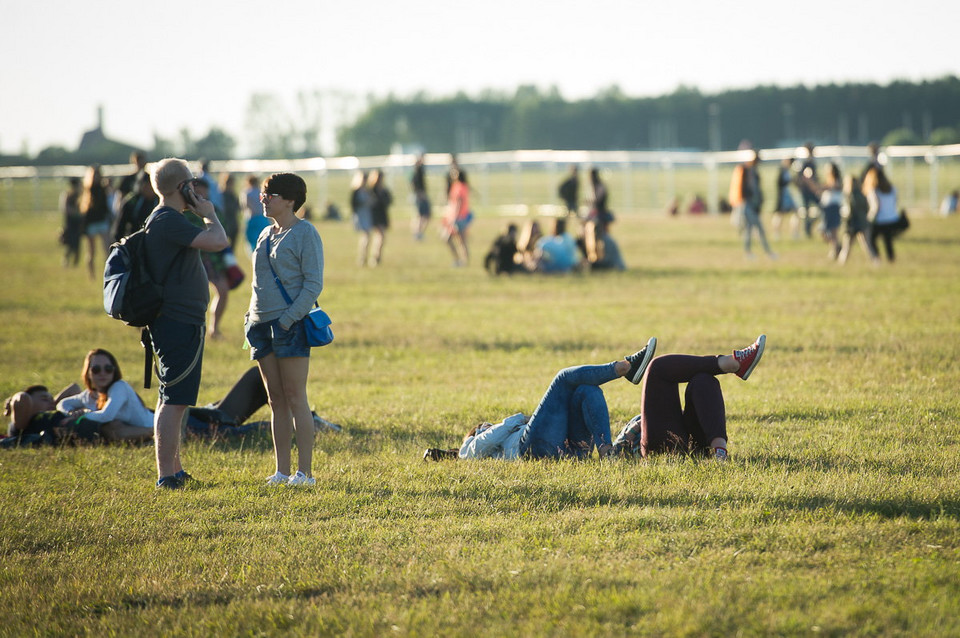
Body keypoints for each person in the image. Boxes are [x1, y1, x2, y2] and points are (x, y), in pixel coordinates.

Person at [145, 158, 228, 489]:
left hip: (178, 318)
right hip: (177, 319)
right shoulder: (167, 220)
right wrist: (208, 212)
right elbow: (219, 240)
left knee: (174, 396)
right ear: (183, 188)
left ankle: (174, 469)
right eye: (191, 184)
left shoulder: (166, 218)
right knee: (175, 398)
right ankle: (167, 474)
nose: (195, 189)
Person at [245, 172, 324, 487]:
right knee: (275, 399)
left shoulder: (306, 233)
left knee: (295, 396)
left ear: (290, 200)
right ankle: (281, 471)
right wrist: (251, 318)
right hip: (260, 325)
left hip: (289, 325)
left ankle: (304, 473)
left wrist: (289, 319)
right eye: (264, 194)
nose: (263, 198)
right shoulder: (265, 234)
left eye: (270, 194)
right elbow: (258, 283)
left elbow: (313, 283)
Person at [458, 339, 659, 460]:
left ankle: (607, 452)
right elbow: (481, 445)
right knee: (563, 377)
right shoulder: (467, 450)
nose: (486, 426)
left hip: (571, 449)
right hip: (530, 449)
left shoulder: (505, 434)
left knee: (587, 390)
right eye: (481, 427)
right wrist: (518, 419)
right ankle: (625, 368)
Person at [611, 335, 766, 460]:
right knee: (657, 367)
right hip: (660, 450)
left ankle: (719, 453)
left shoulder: (651, 417)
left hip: (692, 446)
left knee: (703, 379)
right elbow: (616, 451)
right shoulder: (645, 421)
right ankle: (732, 363)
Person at [56, 349, 154, 442]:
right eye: (96, 369)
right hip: (130, 433)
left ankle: (154, 434)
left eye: (108, 369)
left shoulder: (119, 387)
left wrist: (82, 416)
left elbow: (106, 416)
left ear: (114, 371)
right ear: (88, 373)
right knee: (109, 428)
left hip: (154, 425)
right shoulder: (88, 395)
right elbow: (63, 403)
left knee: (110, 427)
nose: (102, 373)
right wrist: (70, 413)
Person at [730, 150, 776, 260]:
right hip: (746, 205)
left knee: (749, 230)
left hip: (753, 205)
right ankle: (767, 252)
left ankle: (749, 252)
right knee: (758, 229)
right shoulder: (745, 171)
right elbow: (742, 190)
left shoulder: (753, 172)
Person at [800, 162, 843, 260]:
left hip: (833, 208)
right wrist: (808, 181)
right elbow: (816, 189)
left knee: (832, 232)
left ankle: (834, 251)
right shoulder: (829, 181)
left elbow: (822, 188)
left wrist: (810, 180)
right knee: (824, 231)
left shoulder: (837, 182)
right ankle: (837, 247)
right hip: (826, 209)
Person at [79, 165, 113, 279]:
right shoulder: (90, 189)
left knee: (107, 248)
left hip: (102, 221)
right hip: (92, 223)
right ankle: (91, 275)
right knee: (91, 251)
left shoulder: (103, 189)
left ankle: (108, 272)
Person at [863, 166, 902, 263]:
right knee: (888, 241)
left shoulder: (873, 190)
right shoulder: (892, 188)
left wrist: (869, 219)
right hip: (893, 219)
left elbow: (875, 206)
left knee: (870, 239)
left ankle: (876, 258)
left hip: (880, 220)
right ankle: (891, 260)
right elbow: (895, 202)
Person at [838, 175, 878, 265]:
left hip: (851, 224)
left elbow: (847, 211)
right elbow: (867, 208)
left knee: (846, 248)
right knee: (867, 245)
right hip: (863, 223)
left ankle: (841, 264)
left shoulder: (848, 196)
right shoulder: (863, 195)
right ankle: (876, 262)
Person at [112, 174, 159, 241]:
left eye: (151, 186)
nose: (149, 189)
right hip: (136, 240)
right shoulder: (132, 202)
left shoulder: (160, 201)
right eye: (147, 186)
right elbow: (121, 225)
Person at [442, 168, 472, 266]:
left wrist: (454, 217)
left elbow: (459, 202)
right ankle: (461, 260)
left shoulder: (460, 187)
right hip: (457, 216)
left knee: (458, 240)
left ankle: (462, 261)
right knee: (460, 241)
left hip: (459, 217)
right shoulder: (458, 186)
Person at [368, 169, 392, 266]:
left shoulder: (383, 190)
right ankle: (374, 257)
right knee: (378, 236)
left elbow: (389, 201)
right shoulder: (371, 190)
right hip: (374, 216)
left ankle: (376, 257)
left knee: (380, 237)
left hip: (382, 215)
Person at [350, 171, 374, 267]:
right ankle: (362, 258)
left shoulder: (367, 190)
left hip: (367, 214)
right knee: (366, 235)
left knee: (367, 236)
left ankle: (364, 257)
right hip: (360, 215)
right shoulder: (356, 191)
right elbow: (353, 204)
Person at [59, 177, 83, 268]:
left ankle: (75, 264)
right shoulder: (68, 195)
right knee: (70, 244)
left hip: (78, 223)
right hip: (70, 223)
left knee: (77, 245)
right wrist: (77, 212)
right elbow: (66, 209)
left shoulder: (80, 195)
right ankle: (66, 262)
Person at [772, 157, 798, 240]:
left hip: (787, 195)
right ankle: (777, 234)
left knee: (795, 213)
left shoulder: (787, 171)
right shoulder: (782, 171)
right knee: (779, 215)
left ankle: (794, 233)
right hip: (783, 196)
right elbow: (780, 183)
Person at [797, 143, 819, 238]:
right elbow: (802, 178)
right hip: (807, 191)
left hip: (812, 190)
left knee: (819, 208)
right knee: (806, 211)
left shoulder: (811, 162)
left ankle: (809, 225)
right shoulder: (805, 163)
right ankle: (807, 229)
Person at [243, 175, 270, 254]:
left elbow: (245, 206)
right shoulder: (261, 192)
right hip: (263, 218)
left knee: (253, 242)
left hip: (252, 218)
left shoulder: (247, 193)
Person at [410, 154, 431, 240]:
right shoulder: (417, 171)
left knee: (422, 215)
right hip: (420, 196)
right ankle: (417, 233)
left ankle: (418, 233)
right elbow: (415, 184)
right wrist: (420, 194)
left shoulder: (419, 170)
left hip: (420, 195)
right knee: (422, 215)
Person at [219, 174, 242, 249]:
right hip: (225, 223)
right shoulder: (222, 195)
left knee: (232, 248)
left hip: (233, 224)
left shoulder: (233, 195)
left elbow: (238, 208)